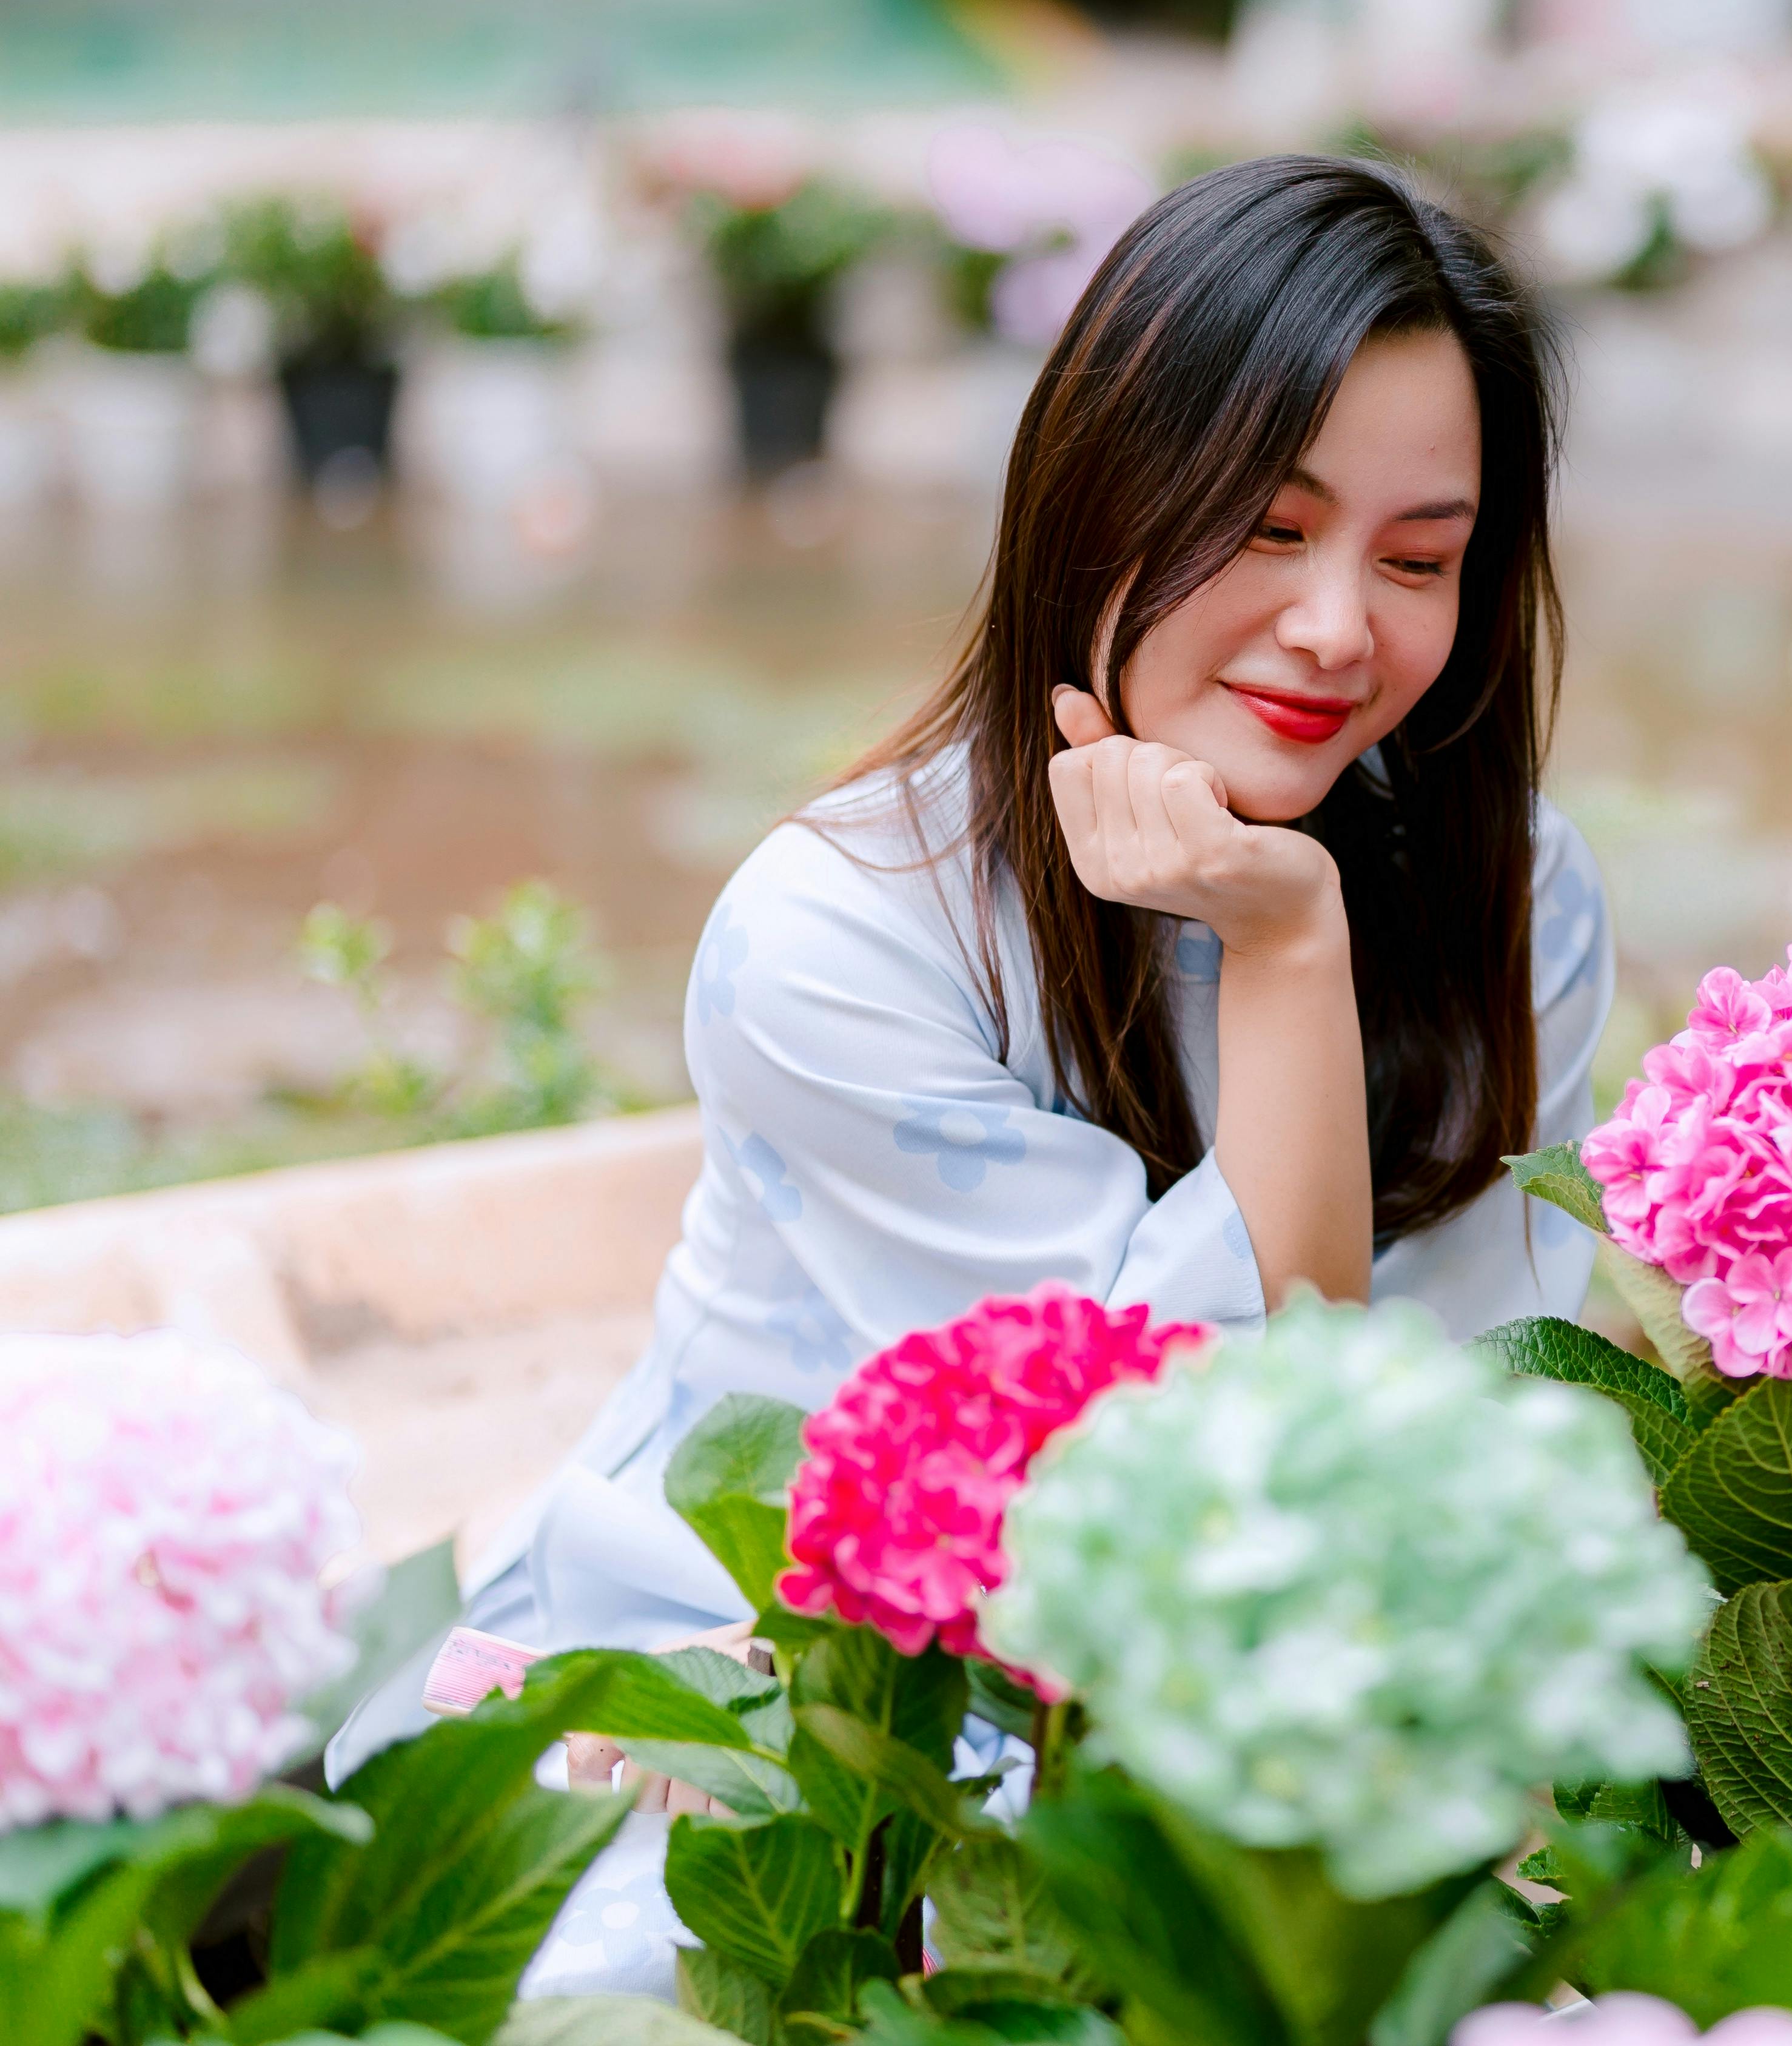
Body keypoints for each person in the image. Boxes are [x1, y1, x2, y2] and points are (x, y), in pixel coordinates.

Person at [330, 156, 1616, 1990]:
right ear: (1100, 503)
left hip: (1286, 1724)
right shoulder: (840, 936)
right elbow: (1185, 1469)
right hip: (760, 1723)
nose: (1342, 627)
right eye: (1268, 526)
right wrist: (1285, 948)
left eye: (1418, 559)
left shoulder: (1517, 892)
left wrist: (1292, 933)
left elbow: (1426, 1427)